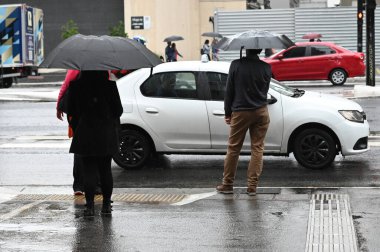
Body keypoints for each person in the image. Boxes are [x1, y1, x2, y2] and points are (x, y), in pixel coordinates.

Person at [68, 71, 123, 217]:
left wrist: (78, 125)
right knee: (105, 170)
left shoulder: (76, 86)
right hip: (106, 133)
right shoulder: (110, 86)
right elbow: (119, 110)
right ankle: (106, 205)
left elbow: (71, 110)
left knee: (89, 171)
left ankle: (90, 207)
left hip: (85, 132)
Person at [216, 49, 271, 196]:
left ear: (245, 50)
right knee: (257, 148)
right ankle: (252, 187)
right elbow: (264, 90)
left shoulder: (236, 65)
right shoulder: (266, 67)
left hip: (241, 111)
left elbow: (229, 91)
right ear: (259, 50)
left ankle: (227, 184)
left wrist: (228, 113)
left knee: (233, 148)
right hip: (261, 111)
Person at [56, 70, 84, 196]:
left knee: (79, 147)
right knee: (96, 149)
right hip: (96, 112)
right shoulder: (103, 68)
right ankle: (96, 185)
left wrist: (59, 106)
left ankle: (78, 185)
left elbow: (66, 84)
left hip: (77, 111)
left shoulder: (76, 66)